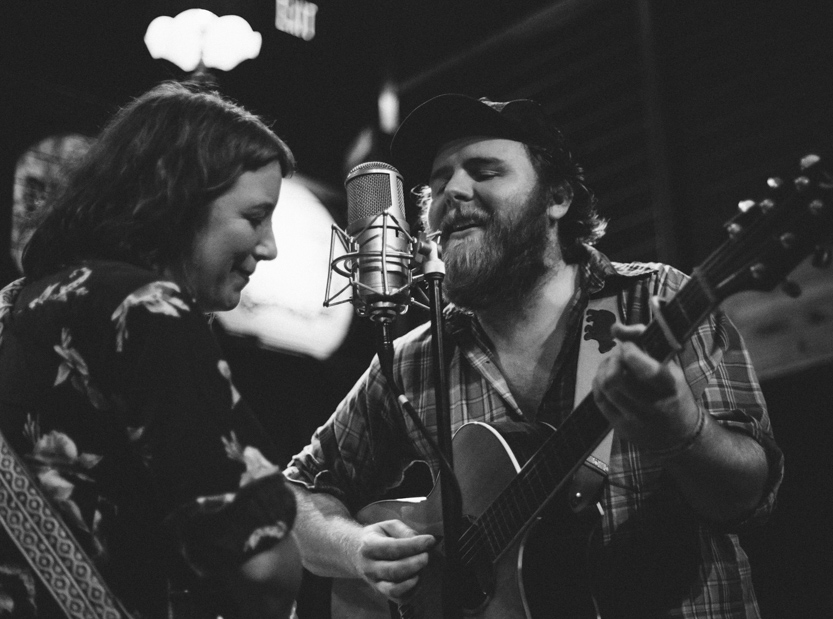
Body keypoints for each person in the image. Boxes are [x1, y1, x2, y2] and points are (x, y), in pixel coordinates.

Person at [285, 94, 784, 618]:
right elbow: (294, 498)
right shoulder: (411, 362)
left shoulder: (658, 301)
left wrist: (686, 431)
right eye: (437, 184)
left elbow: (752, 502)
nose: (450, 193)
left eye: (484, 171)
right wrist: (358, 550)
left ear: (558, 198)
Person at [0, 81, 302, 618]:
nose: (270, 246)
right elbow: (264, 572)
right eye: (255, 217)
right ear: (179, 202)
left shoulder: (21, 304)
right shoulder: (148, 308)